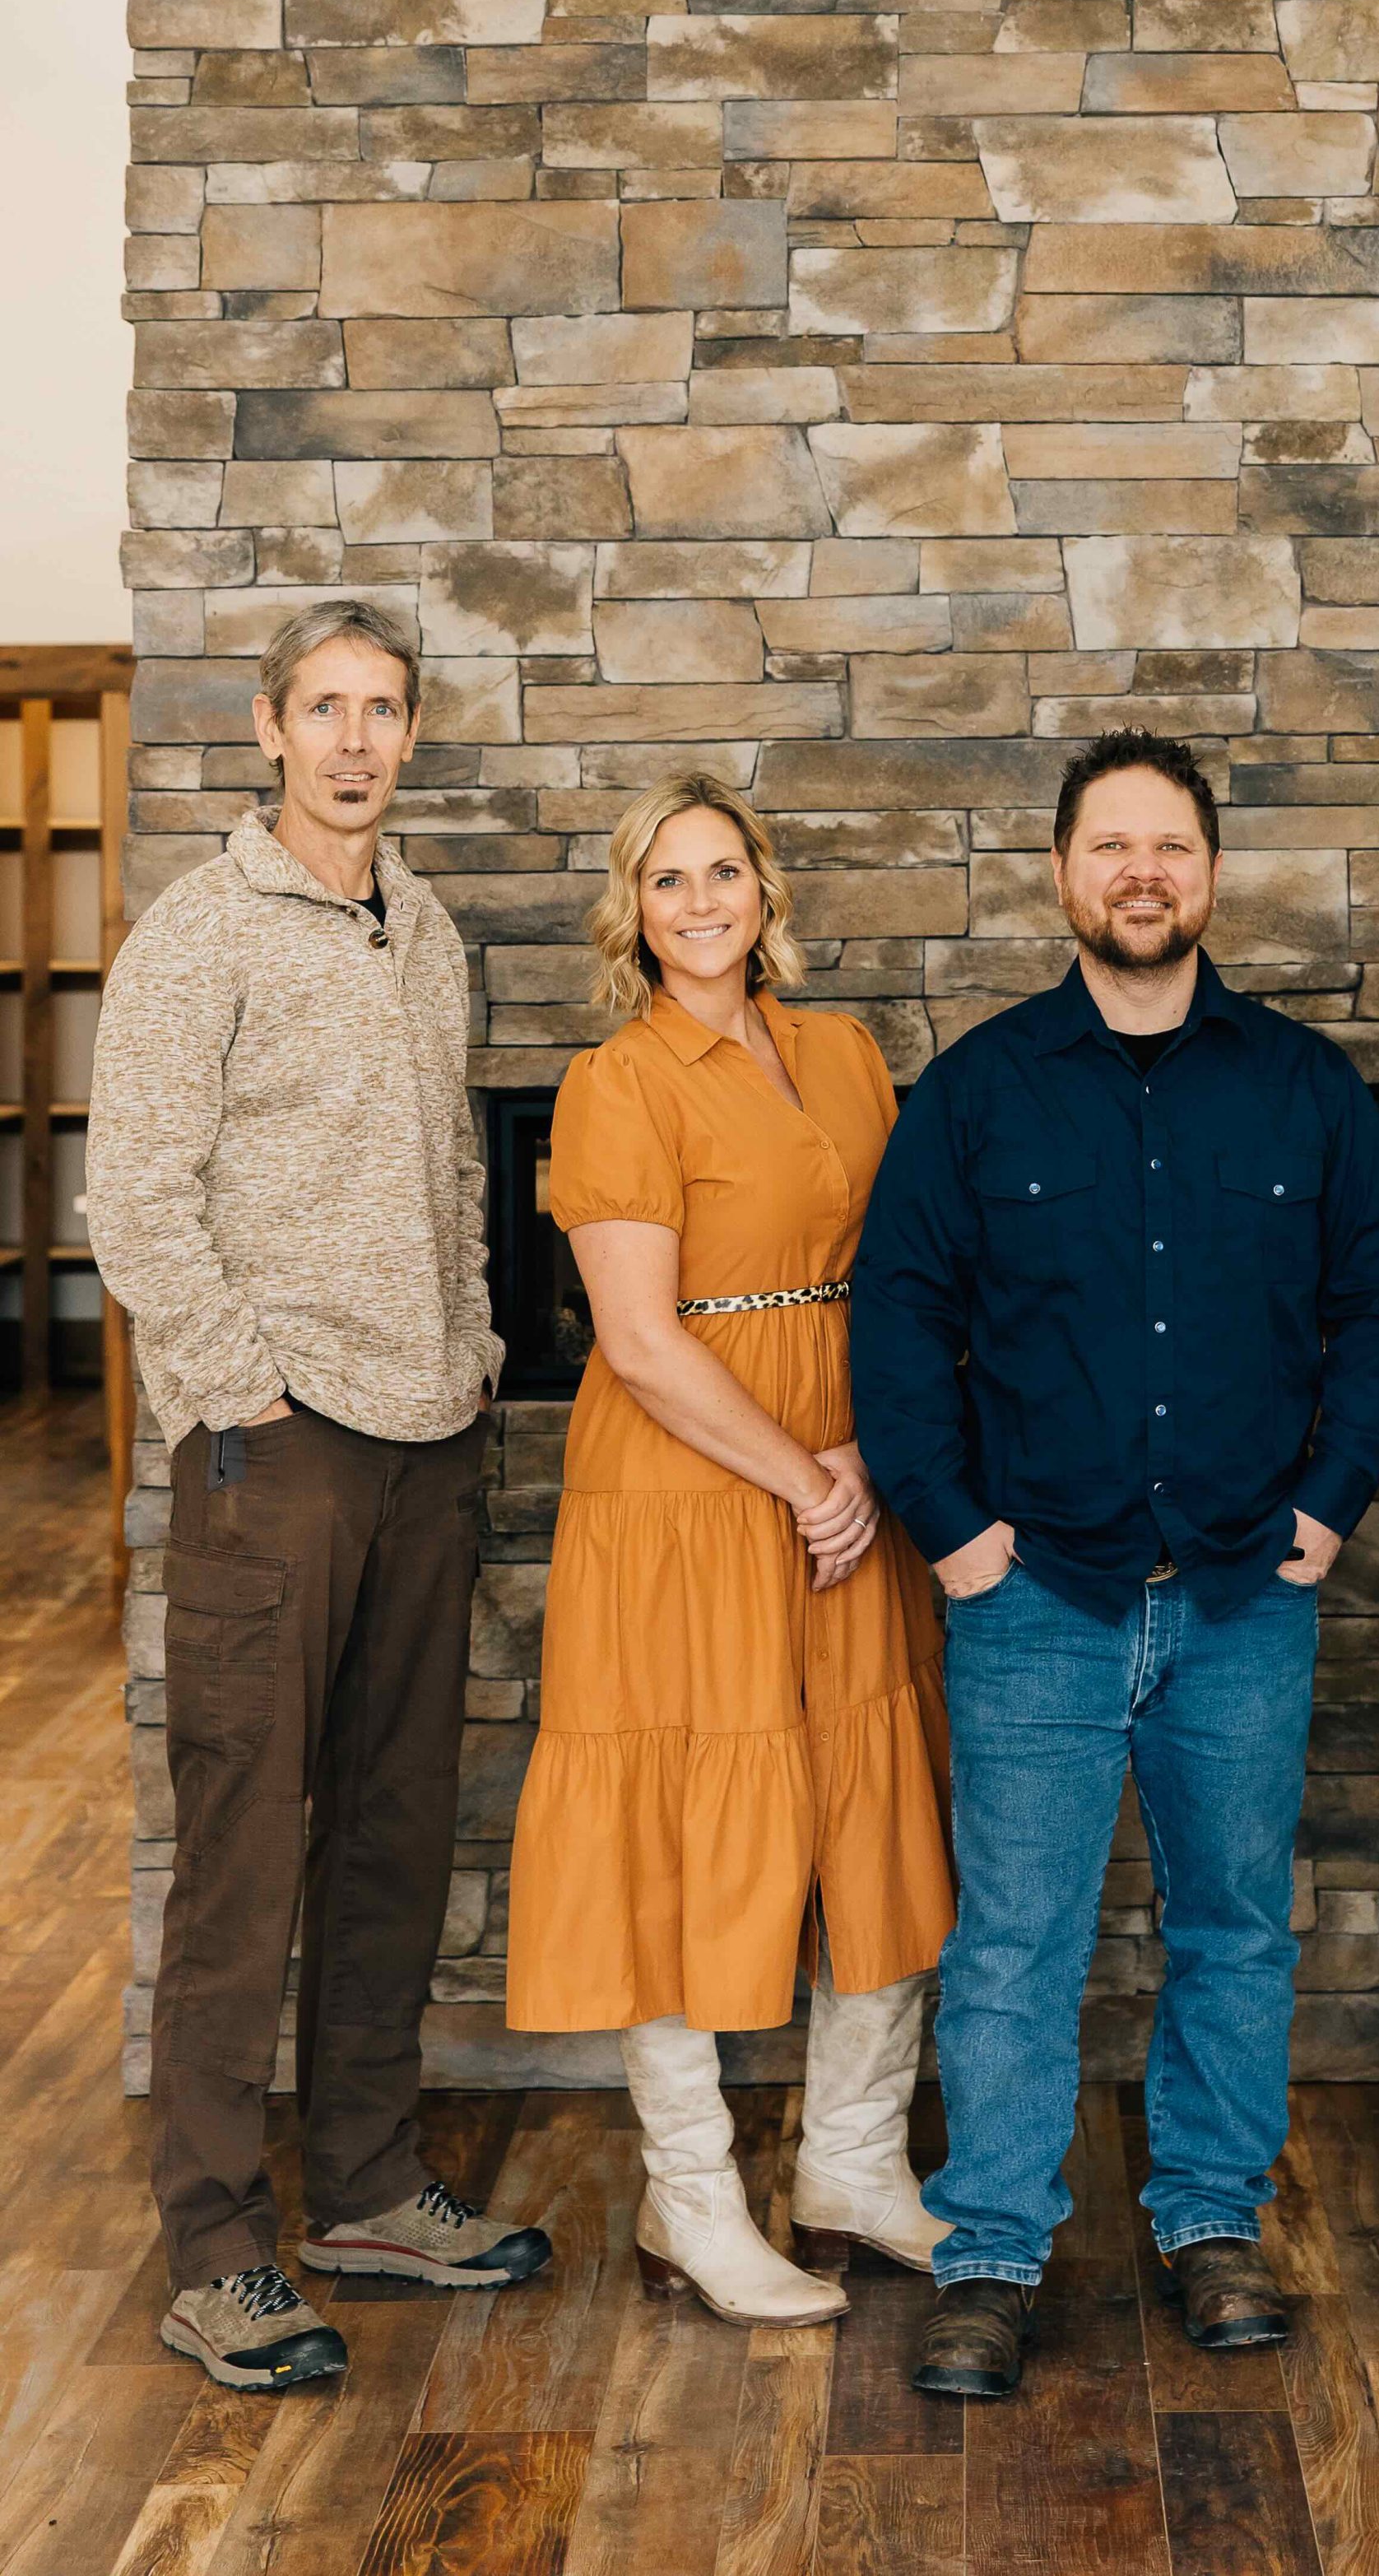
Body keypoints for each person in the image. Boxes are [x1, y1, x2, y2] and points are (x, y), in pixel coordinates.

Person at [851, 730, 1379, 2402]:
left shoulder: (1304, 1087)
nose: (1142, 873)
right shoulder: (980, 1090)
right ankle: (991, 2250)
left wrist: (1330, 1501)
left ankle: (1211, 2219)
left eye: (1169, 844)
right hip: (1033, 1590)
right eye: (1110, 845)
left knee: (1234, 1928)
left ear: (1212, 874)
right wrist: (951, 1528)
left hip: (1248, 1589)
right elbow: (900, 1315)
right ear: (1062, 874)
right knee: (1014, 1942)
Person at [86, 601, 549, 2396]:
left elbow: (449, 1169)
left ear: (412, 734)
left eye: (384, 709)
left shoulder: (421, 927)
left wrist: (477, 1342)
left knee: (391, 1830)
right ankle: (217, 2247)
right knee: (245, 1844)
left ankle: (362, 2188)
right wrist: (237, 1380)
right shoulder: (198, 932)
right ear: (271, 728)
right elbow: (137, 1191)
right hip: (274, 1447)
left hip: (428, 1432)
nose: (356, 740)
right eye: (326, 708)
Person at [505, 773, 953, 2327]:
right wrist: (805, 1478)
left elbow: (904, 1273)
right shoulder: (615, 1081)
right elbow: (636, 1339)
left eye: (722, 872)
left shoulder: (846, 1055)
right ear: (632, 914)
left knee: (872, 1801)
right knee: (685, 1824)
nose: (699, 904)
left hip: (852, 1468)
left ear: (767, 888)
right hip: (688, 1492)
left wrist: (870, 1457)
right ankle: (690, 2201)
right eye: (666, 880)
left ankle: (853, 2168)